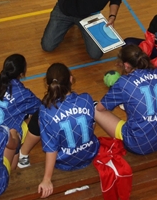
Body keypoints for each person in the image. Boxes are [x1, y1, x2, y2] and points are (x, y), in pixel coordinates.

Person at [16, 63, 99, 198]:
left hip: (64, 162)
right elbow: (91, 126)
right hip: (89, 154)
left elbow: (51, 148)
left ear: (48, 85)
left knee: (42, 119)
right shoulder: (86, 99)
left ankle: (23, 153)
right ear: (71, 80)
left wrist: (47, 179)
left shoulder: (45, 111)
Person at [95, 45, 157, 155]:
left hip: (139, 144)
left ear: (126, 65)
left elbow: (101, 107)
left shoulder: (123, 82)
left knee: (95, 109)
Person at [0, 54, 41, 163]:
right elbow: (41, 107)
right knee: (38, 115)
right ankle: (23, 154)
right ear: (22, 74)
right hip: (6, 140)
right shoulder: (24, 94)